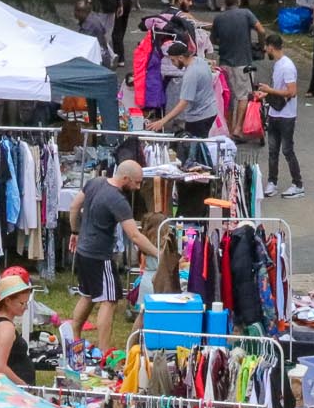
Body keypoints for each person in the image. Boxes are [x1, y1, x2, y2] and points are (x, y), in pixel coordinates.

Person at [70, 161, 161, 350]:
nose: (137, 187)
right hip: (100, 256)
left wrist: (75, 232)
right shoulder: (118, 200)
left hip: (83, 252)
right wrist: (158, 253)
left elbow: (74, 206)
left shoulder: (95, 182)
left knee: (87, 295)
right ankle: (104, 352)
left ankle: (74, 339)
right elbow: (134, 235)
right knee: (109, 301)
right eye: (136, 183)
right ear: (125, 178)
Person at [257, 34, 302, 196]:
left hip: (287, 115)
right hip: (275, 112)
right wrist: (267, 95)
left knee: (287, 150)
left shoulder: (287, 67)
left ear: (270, 47)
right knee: (273, 150)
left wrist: (269, 90)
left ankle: (298, 184)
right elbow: (280, 90)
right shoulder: (277, 65)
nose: (264, 50)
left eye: (266, 47)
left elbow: (292, 91)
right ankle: (272, 182)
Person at [211, 0, 261, 134]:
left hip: (225, 63)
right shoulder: (246, 13)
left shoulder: (218, 18)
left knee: (228, 97)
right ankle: (238, 129)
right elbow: (261, 29)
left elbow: (213, 40)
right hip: (243, 62)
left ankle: (227, 128)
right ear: (238, 0)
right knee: (243, 96)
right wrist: (261, 45)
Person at [158, 41, 221, 138]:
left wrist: (163, 121)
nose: (173, 64)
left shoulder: (190, 74)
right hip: (210, 110)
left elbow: (183, 103)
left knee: (194, 148)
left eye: (173, 60)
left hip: (199, 116)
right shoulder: (199, 60)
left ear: (181, 58)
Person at [0, 270, 39, 387]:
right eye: (21, 303)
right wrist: (25, 386)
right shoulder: (6, 328)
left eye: (26, 303)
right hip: (15, 387)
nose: (25, 308)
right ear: (8, 301)